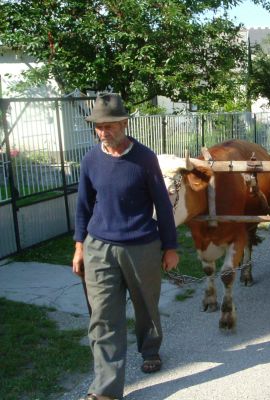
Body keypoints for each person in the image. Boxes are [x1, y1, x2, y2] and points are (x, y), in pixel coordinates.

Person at [72, 93, 180, 400]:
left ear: (124, 123)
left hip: (142, 247)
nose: (104, 132)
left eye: (110, 126)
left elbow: (163, 204)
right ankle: (106, 389)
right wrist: (80, 247)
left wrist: (170, 247)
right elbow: (83, 206)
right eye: (99, 127)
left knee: (146, 306)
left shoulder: (144, 158)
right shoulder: (91, 159)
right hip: (99, 248)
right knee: (104, 316)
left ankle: (150, 350)